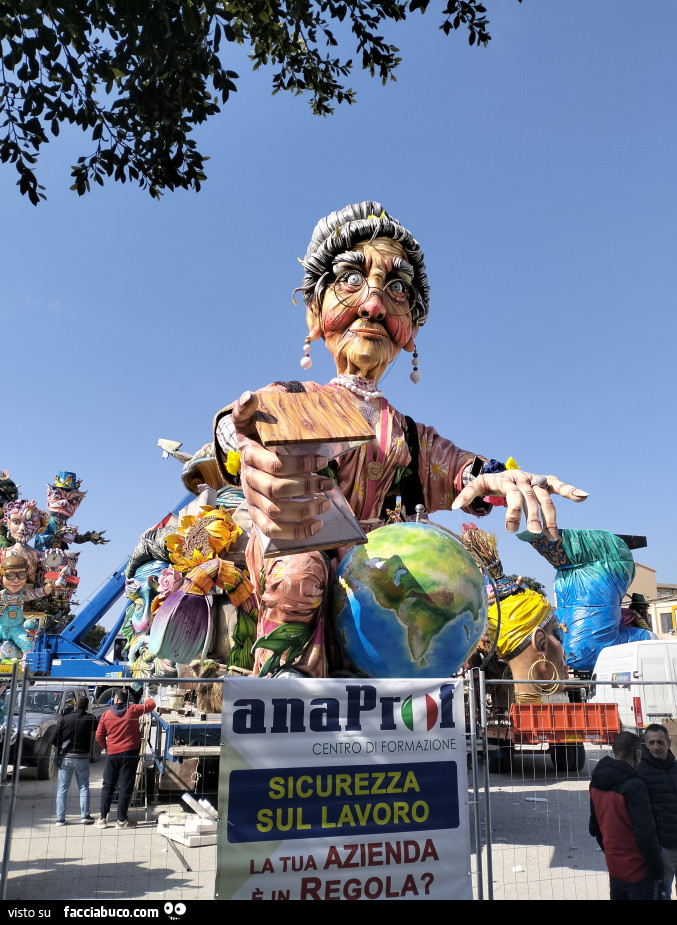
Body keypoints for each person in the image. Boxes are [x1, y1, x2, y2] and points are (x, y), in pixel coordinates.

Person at [214, 201, 589, 678]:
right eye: (351, 280)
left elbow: (461, 469)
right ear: (315, 312)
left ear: (409, 330)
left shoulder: (410, 436)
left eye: (396, 290)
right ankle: (289, 697)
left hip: (382, 585)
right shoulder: (297, 400)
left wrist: (501, 478)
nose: (372, 305)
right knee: (301, 571)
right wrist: (242, 441)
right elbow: (243, 422)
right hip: (303, 561)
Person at [589, 730, 663, 900]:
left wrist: (611, 852)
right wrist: (657, 871)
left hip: (615, 868)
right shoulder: (634, 786)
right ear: (638, 754)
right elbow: (646, 835)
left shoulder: (596, 783)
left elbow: (594, 828)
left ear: (614, 749)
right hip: (639, 873)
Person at [94, 688, 155, 829]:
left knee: (108, 786)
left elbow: (99, 736)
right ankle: (122, 820)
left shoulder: (107, 714)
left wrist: (107, 747)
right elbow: (151, 705)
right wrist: (147, 699)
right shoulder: (133, 710)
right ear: (127, 700)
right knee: (125, 786)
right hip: (129, 753)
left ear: (115, 699)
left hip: (112, 754)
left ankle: (103, 818)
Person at [637, 723, 677, 900]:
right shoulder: (640, 773)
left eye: (660, 742)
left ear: (668, 743)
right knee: (662, 894)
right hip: (663, 849)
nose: (656, 747)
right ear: (645, 744)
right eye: (651, 743)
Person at [54, 695, 95, 826]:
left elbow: (55, 739)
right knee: (83, 786)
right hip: (82, 756)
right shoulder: (90, 719)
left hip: (66, 757)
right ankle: (85, 815)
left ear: (75, 706)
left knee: (62, 788)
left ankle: (60, 819)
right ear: (87, 706)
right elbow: (98, 730)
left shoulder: (64, 719)